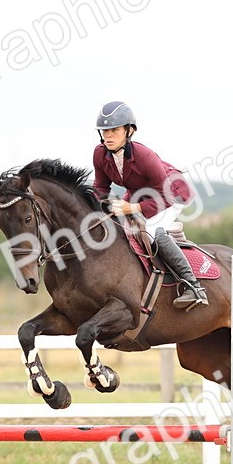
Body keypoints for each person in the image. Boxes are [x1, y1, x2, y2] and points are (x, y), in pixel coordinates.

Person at [91, 101, 208, 309]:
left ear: (129, 131)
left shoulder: (144, 156)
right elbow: (100, 187)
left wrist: (132, 209)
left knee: (152, 230)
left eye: (114, 130)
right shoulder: (100, 154)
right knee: (118, 225)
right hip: (139, 193)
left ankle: (194, 287)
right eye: (105, 131)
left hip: (171, 192)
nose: (108, 135)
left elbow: (166, 196)